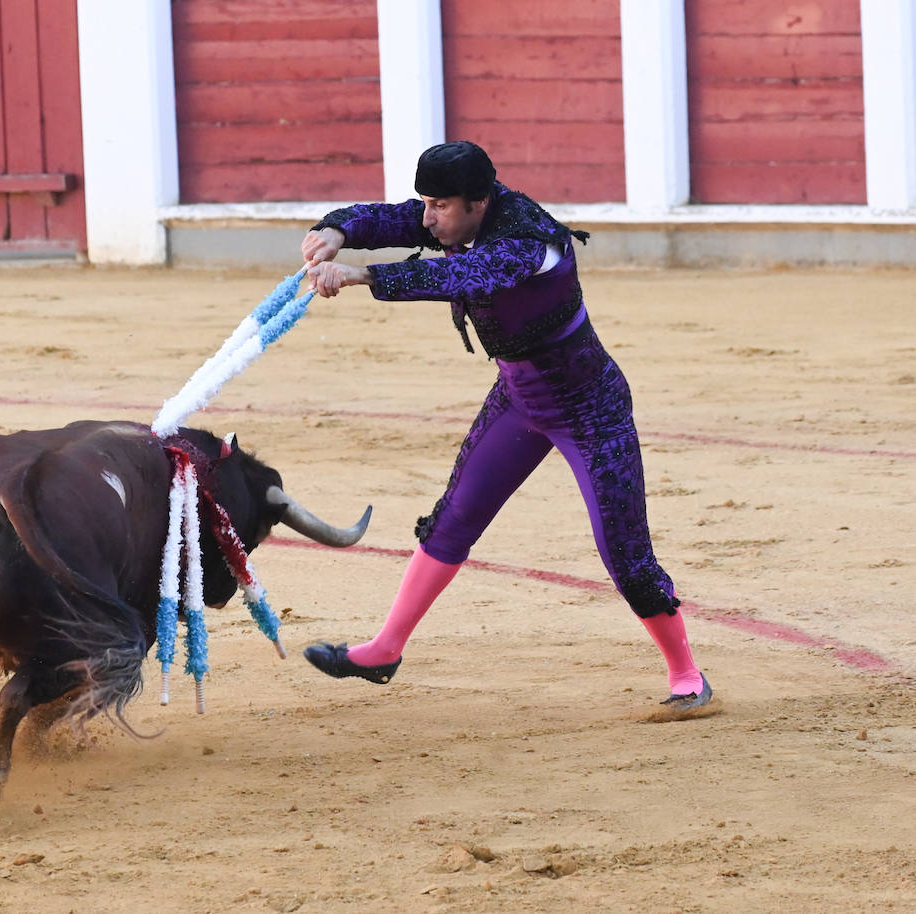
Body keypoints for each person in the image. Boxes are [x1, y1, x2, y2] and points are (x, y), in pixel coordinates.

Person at [299, 140, 712, 711]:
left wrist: (360, 276)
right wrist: (336, 230)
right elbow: (393, 217)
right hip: (520, 399)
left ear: (478, 201)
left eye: (440, 206)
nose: (427, 218)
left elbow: (464, 277)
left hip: (590, 407)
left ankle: (686, 674)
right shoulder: (459, 217)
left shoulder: (528, 242)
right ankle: (385, 649)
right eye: (428, 203)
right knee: (453, 518)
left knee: (624, 551)